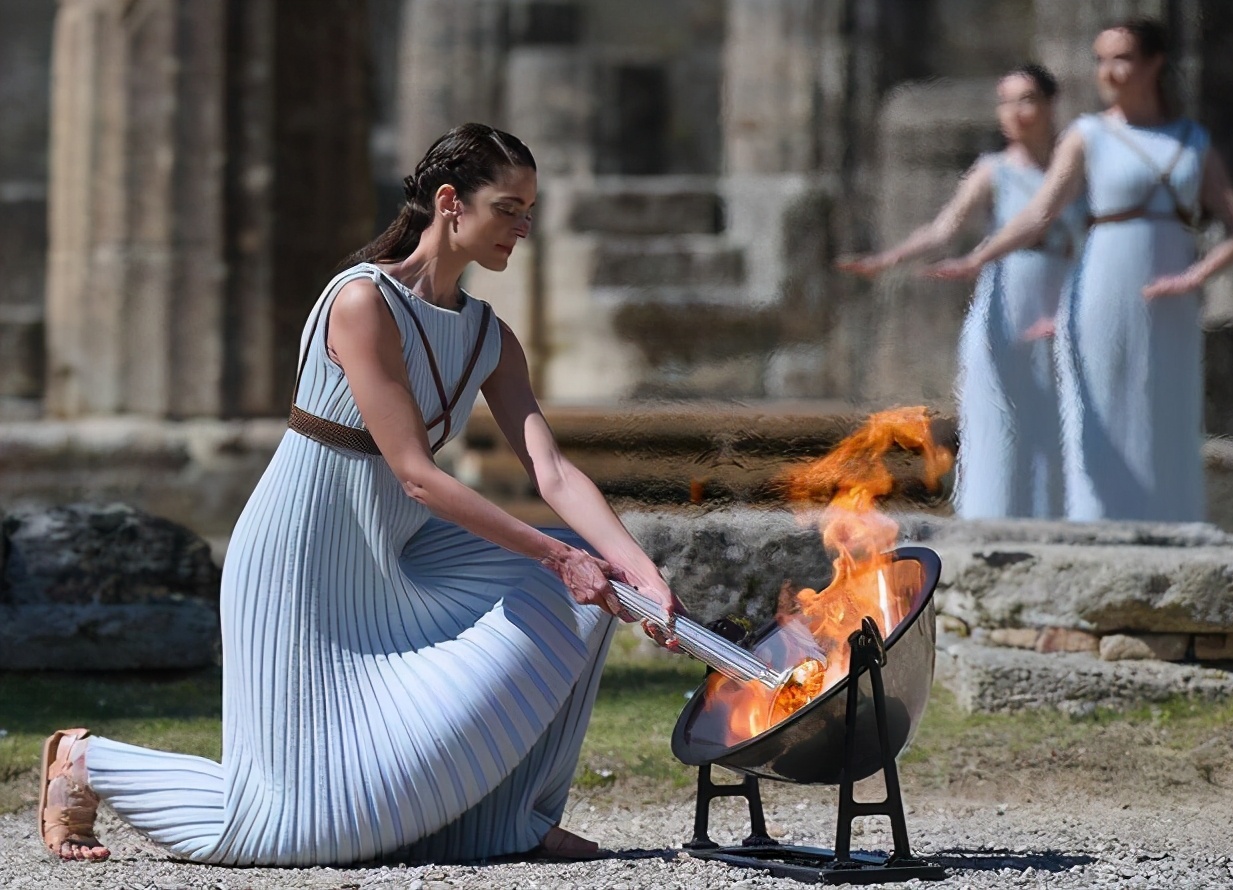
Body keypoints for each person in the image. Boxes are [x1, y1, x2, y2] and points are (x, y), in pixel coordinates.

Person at [37, 123, 684, 866]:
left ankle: (507, 822)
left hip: (399, 554)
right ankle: (88, 763)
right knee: (293, 826)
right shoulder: (362, 302)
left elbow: (554, 471)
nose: (524, 227)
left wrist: (638, 570)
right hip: (303, 558)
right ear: (450, 202)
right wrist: (556, 554)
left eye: (529, 211)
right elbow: (414, 471)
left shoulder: (491, 337)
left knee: (586, 593)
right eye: (508, 208)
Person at [929, 19, 1233, 522]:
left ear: (1153, 64)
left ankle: (1173, 526)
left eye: (1121, 58)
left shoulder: (1191, 140)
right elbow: (1039, 213)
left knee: (1166, 409)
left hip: (1170, 293)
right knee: (1098, 405)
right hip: (1103, 280)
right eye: (1102, 60)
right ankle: (1094, 525)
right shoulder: (1088, 134)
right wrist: (980, 256)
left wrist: (1194, 278)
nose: (1109, 71)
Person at [837, 64, 1086, 519]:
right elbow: (943, 229)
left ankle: (1057, 522)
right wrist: (889, 259)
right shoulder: (994, 171)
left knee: (1059, 423)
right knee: (999, 420)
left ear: (1051, 104)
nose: (1015, 112)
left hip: (1060, 311)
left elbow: (1091, 245)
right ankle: (989, 521)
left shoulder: (1072, 172)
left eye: (1027, 99)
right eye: (1006, 101)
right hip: (1007, 308)